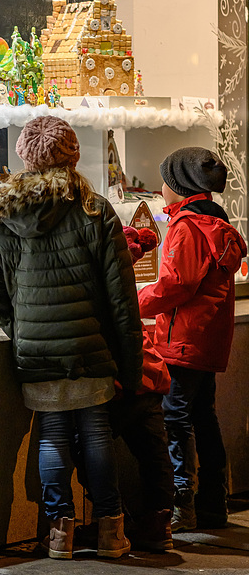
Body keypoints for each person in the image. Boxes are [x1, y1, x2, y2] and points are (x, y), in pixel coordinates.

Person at [0, 115, 143, 560]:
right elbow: (122, 297)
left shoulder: (5, 212)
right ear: (73, 155)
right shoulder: (94, 208)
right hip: (90, 346)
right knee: (97, 434)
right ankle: (110, 532)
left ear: (25, 157)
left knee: (51, 435)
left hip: (38, 349)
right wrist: (131, 363)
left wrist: (15, 323)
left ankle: (59, 537)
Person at [138, 147, 247, 532]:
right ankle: (213, 502)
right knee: (205, 417)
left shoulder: (188, 227)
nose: (160, 189)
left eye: (165, 181)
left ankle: (182, 505)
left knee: (175, 419)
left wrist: (133, 301)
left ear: (180, 186)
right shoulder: (217, 223)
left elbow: (175, 285)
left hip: (182, 340)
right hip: (208, 340)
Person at [73, 226, 174, 553]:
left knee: (87, 445)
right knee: (154, 452)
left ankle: (114, 521)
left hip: (121, 377)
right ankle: (158, 523)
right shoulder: (120, 270)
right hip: (147, 374)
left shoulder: (96, 273)